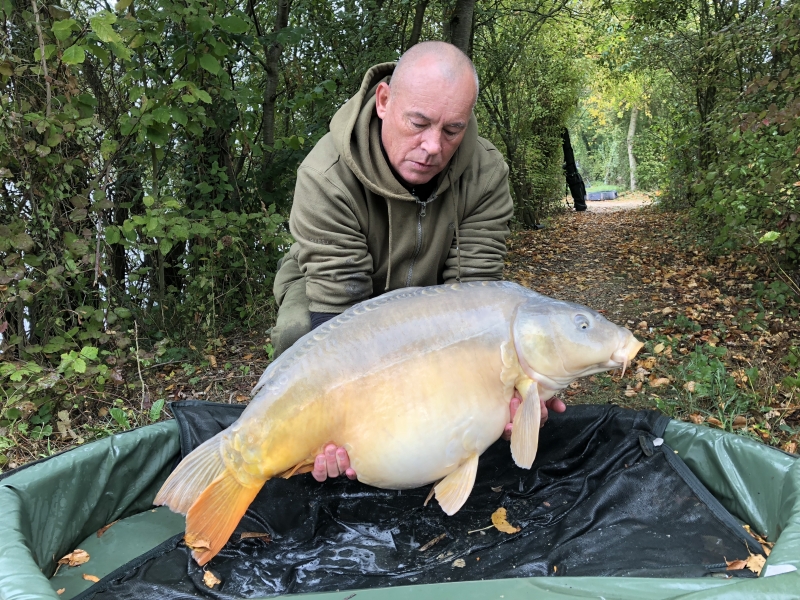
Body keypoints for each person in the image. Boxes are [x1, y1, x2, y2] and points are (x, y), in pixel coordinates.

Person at [270, 41, 566, 482]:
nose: (432, 146)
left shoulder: (485, 172)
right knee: (302, 340)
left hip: (438, 298)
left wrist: (504, 394)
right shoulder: (325, 175)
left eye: (452, 130)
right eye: (419, 123)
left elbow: (472, 306)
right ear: (385, 101)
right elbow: (340, 324)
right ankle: (314, 443)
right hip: (340, 299)